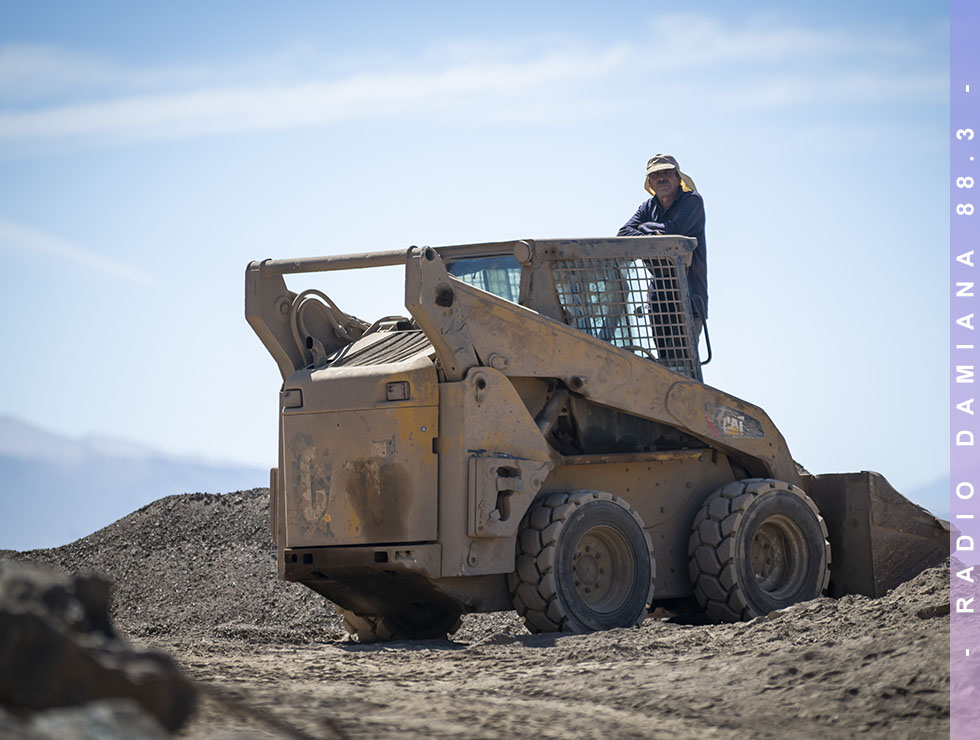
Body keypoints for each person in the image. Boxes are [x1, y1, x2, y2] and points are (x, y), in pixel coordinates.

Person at [618, 154, 707, 360]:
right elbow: (623, 234)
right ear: (650, 182)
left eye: (667, 173)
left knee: (681, 362)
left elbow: (673, 231)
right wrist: (654, 233)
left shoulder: (692, 202)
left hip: (689, 298)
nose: (662, 178)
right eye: (656, 175)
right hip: (659, 301)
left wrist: (644, 229)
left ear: (678, 178)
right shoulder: (648, 207)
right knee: (665, 363)